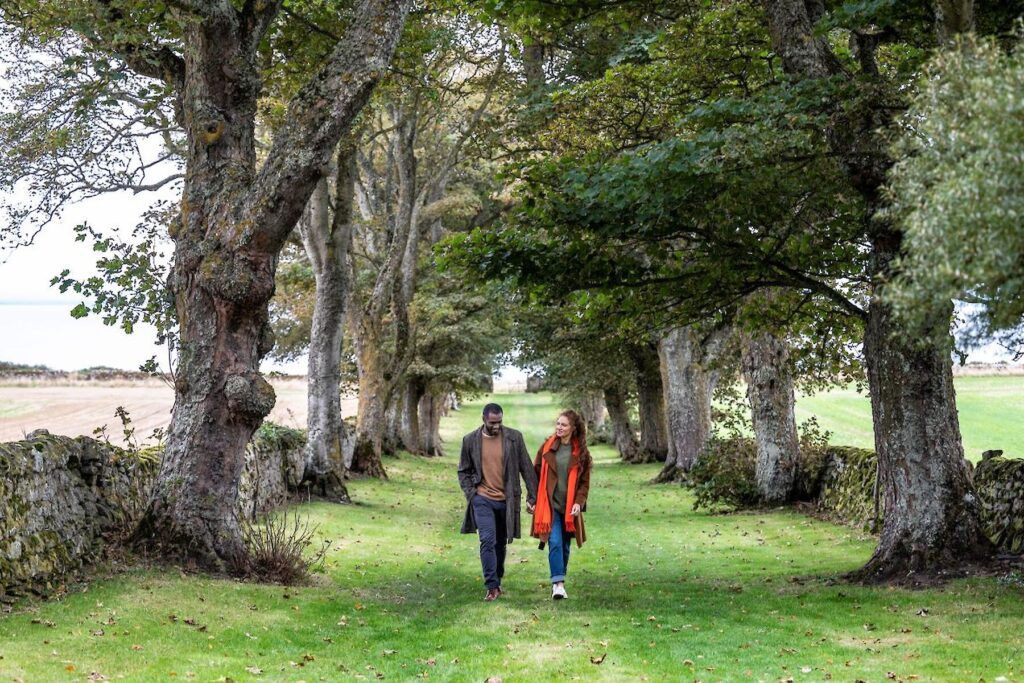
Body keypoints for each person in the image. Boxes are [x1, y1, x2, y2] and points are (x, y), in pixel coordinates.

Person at [458, 402, 538, 601]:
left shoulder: (514, 438)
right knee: (487, 539)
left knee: (500, 543)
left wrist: (532, 496)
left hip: (506, 500)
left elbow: (527, 468)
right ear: (484, 419)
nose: (497, 426)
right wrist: (472, 494)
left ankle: (498, 578)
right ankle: (491, 586)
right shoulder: (470, 441)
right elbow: (463, 471)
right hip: (482, 499)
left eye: (500, 422)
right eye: (493, 422)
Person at [531, 409, 593, 600]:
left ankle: (560, 578)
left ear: (573, 429)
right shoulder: (547, 447)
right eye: (558, 423)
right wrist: (532, 499)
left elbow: (584, 483)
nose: (559, 427)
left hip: (569, 508)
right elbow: (535, 474)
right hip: (550, 505)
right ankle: (558, 584)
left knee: (565, 546)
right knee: (555, 541)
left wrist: (578, 503)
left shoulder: (581, 453)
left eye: (564, 425)